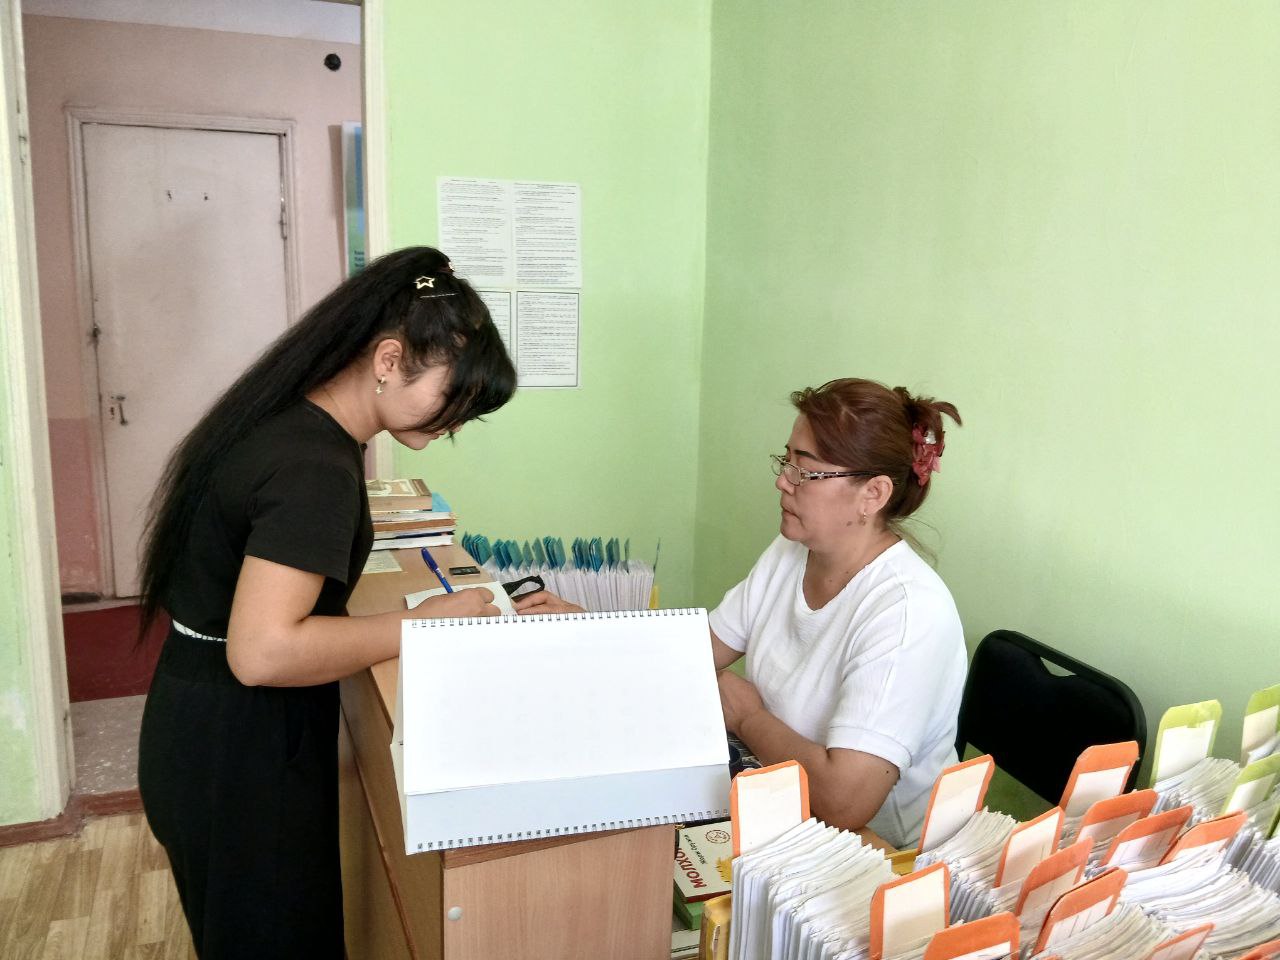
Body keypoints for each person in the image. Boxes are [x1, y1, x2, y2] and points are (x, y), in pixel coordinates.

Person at [136, 246, 515, 959]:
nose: (457, 423)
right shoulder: (313, 467)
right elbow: (263, 652)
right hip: (239, 747)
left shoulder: (290, 425)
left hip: (204, 723)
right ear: (389, 359)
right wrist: (420, 624)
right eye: (455, 397)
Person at [516, 377, 965, 849]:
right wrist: (589, 628)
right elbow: (698, 652)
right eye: (785, 461)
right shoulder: (794, 551)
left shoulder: (907, 612)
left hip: (878, 853)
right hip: (779, 796)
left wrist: (748, 717)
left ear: (873, 494)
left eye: (805, 471)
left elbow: (845, 801)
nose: (782, 481)